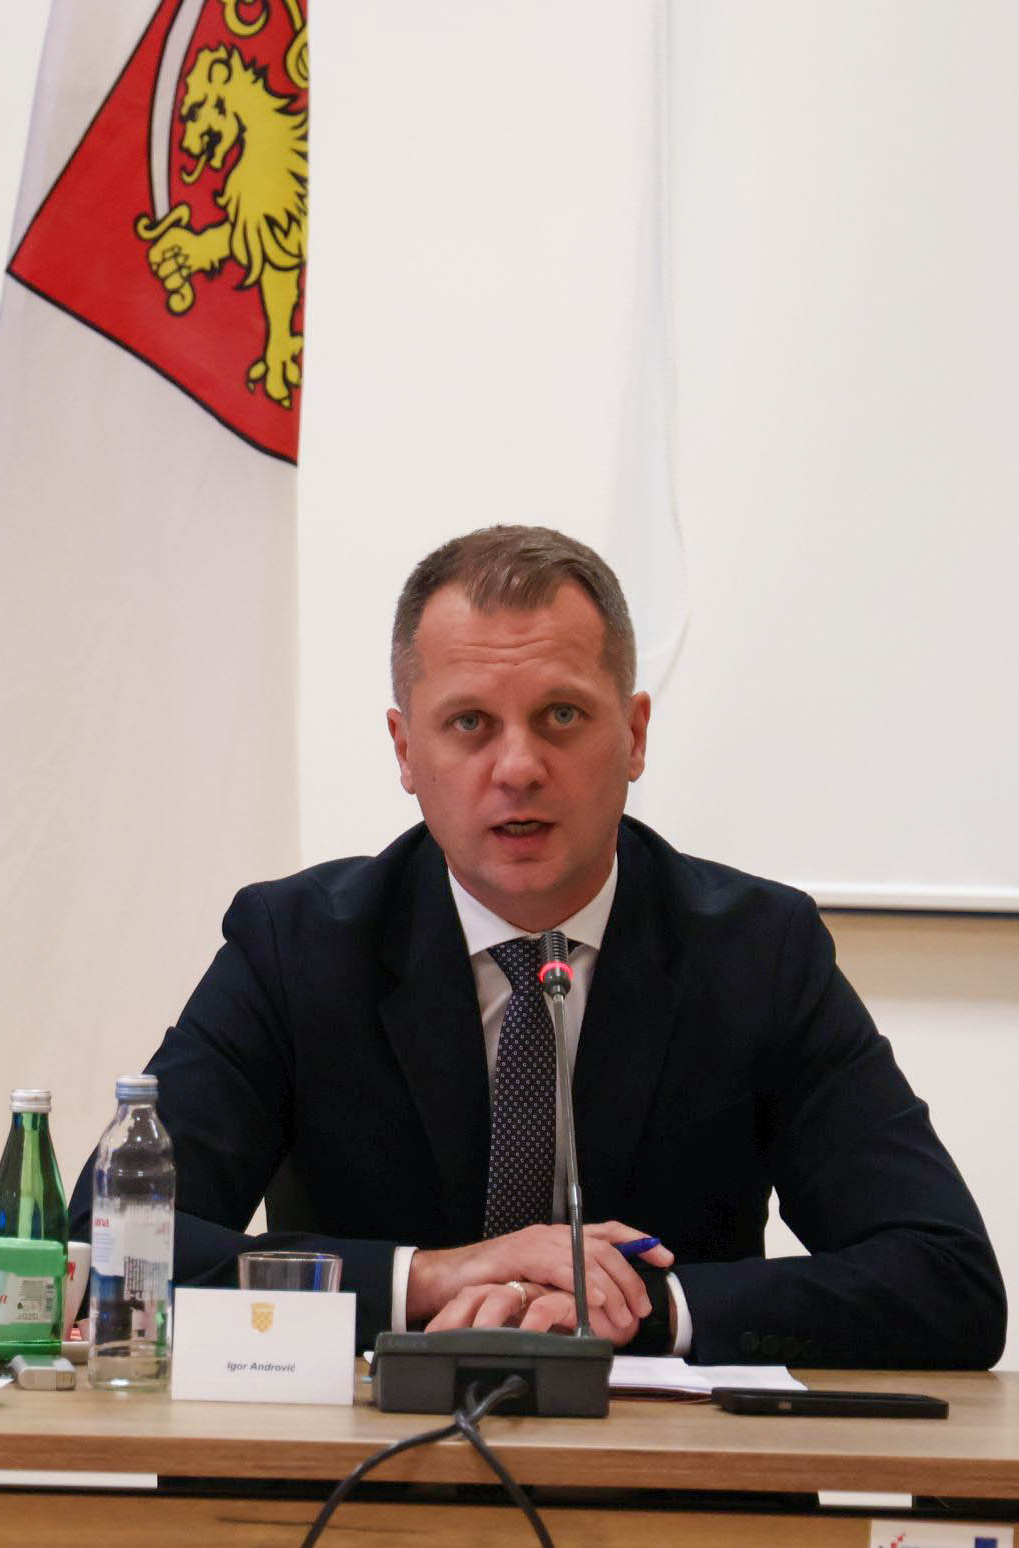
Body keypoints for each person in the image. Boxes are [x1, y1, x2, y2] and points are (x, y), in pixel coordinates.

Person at [83, 525, 1003, 1367]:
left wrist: (651, 1309)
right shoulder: (297, 948)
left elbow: (947, 1279)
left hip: (663, 1477)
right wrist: (427, 1277)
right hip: (355, 1468)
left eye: (562, 716)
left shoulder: (759, 954)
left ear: (633, 735)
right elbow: (97, 1245)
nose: (518, 767)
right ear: (405, 750)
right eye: (470, 723)